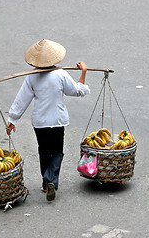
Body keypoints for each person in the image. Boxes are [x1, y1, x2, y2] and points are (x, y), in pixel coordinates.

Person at [6, 39, 90, 201]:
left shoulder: (32, 77)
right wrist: (83, 72)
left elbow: (22, 99)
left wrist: (12, 119)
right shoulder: (60, 74)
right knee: (57, 152)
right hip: (57, 121)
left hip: (40, 122)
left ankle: (46, 184)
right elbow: (76, 91)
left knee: (44, 151)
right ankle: (51, 179)